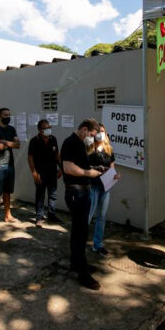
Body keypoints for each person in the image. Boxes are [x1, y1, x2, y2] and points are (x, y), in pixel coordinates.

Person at [61, 118, 102, 290]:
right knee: (80, 232)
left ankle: (76, 263)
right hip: (75, 192)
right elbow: (68, 168)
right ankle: (83, 273)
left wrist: (96, 168)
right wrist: (88, 173)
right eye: (92, 135)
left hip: (83, 191)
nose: (92, 138)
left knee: (80, 230)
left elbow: (81, 165)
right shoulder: (70, 142)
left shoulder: (80, 144)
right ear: (84, 129)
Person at [88, 123, 120, 256]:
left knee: (102, 216)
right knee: (88, 215)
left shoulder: (109, 149)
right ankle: (79, 242)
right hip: (93, 185)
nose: (101, 134)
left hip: (105, 187)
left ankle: (98, 244)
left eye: (103, 131)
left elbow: (112, 168)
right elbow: (84, 166)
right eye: (98, 131)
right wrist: (96, 168)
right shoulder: (89, 149)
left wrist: (116, 175)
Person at [28, 119, 62, 227]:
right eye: (45, 128)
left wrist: (61, 168)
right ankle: (39, 217)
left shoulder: (53, 139)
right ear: (39, 129)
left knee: (53, 195)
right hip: (40, 173)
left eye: (49, 127)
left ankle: (51, 215)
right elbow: (30, 158)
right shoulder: (34, 141)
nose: (48, 129)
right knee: (40, 195)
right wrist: (34, 172)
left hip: (52, 172)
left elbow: (57, 155)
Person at [0, 108, 20, 229]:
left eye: (9, 114)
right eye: (5, 115)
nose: (8, 116)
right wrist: (9, 143)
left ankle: (8, 215)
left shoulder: (11, 129)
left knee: (7, 192)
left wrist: (4, 141)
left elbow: (18, 144)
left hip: (9, 164)